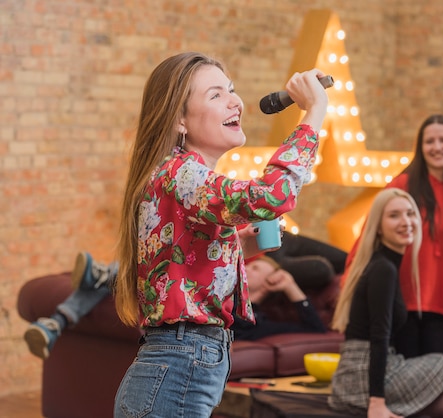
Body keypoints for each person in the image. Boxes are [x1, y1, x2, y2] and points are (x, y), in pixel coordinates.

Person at [112, 51, 328, 417]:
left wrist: (235, 244)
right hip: (178, 363)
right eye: (215, 95)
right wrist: (314, 112)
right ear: (179, 120)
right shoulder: (182, 174)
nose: (235, 101)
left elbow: (182, 263)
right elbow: (271, 196)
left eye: (231, 90)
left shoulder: (177, 176)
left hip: (175, 364)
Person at [24, 240, 338, 359]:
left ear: (270, 280)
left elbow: (316, 330)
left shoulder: (257, 318)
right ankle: (73, 306)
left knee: (155, 273)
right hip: (155, 297)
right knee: (161, 263)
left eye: (255, 267)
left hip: (172, 312)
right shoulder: (221, 280)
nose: (246, 266)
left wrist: (292, 287)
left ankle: (69, 310)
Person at [329, 188, 443, 418]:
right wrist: (376, 402)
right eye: (394, 215)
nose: (406, 222)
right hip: (363, 376)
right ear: (377, 226)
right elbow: (379, 337)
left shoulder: (384, 263)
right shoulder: (383, 269)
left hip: (368, 369)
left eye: (410, 213)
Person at [346, 114, 443, 358]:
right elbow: (370, 232)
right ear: (420, 147)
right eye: (429, 141)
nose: (437, 147)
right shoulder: (402, 184)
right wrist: (349, 284)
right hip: (402, 305)